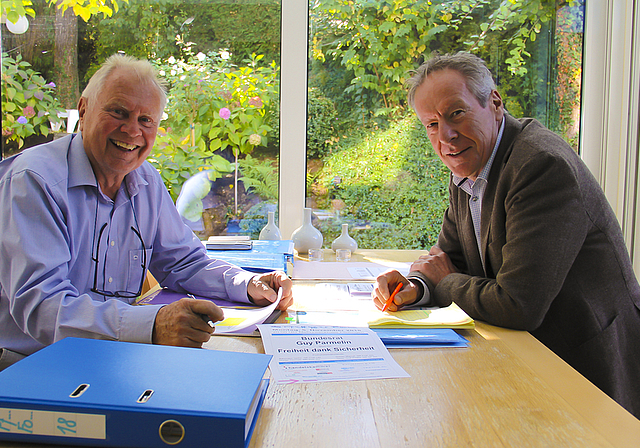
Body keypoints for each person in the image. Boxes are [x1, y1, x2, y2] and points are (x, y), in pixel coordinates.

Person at [373, 52, 640, 418]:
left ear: (494, 103)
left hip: (582, 369)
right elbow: (449, 257)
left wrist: (444, 280)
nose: (446, 135)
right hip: (528, 358)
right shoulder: (469, 164)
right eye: (431, 124)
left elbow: (518, 306)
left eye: (456, 113)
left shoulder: (540, 166)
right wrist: (415, 287)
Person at [0, 54, 292, 370]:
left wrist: (246, 284)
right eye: (118, 112)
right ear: (84, 110)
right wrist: (152, 325)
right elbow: (43, 308)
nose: (131, 130)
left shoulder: (145, 180)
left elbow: (184, 262)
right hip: (31, 367)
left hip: (114, 358)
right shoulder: (35, 181)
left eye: (146, 120)